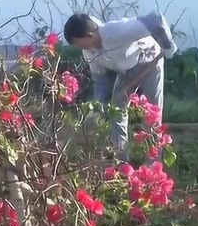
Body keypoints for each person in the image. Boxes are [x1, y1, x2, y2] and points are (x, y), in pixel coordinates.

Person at [63, 12, 178, 161]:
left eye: (78, 43)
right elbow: (100, 80)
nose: (78, 47)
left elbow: (155, 19)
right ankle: (121, 160)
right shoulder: (89, 53)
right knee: (116, 110)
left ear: (89, 35)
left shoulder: (117, 31)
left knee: (152, 113)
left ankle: (152, 163)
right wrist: (98, 107)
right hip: (126, 71)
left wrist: (168, 47)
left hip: (149, 62)